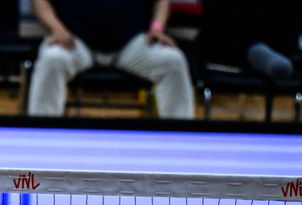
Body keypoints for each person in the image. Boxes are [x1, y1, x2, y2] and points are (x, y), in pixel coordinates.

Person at [27, 0, 196, 119]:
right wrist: (56, 28)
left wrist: (157, 27)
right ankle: (43, 136)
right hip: (75, 41)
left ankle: (182, 140)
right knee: (52, 58)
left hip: (133, 42)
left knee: (173, 61)